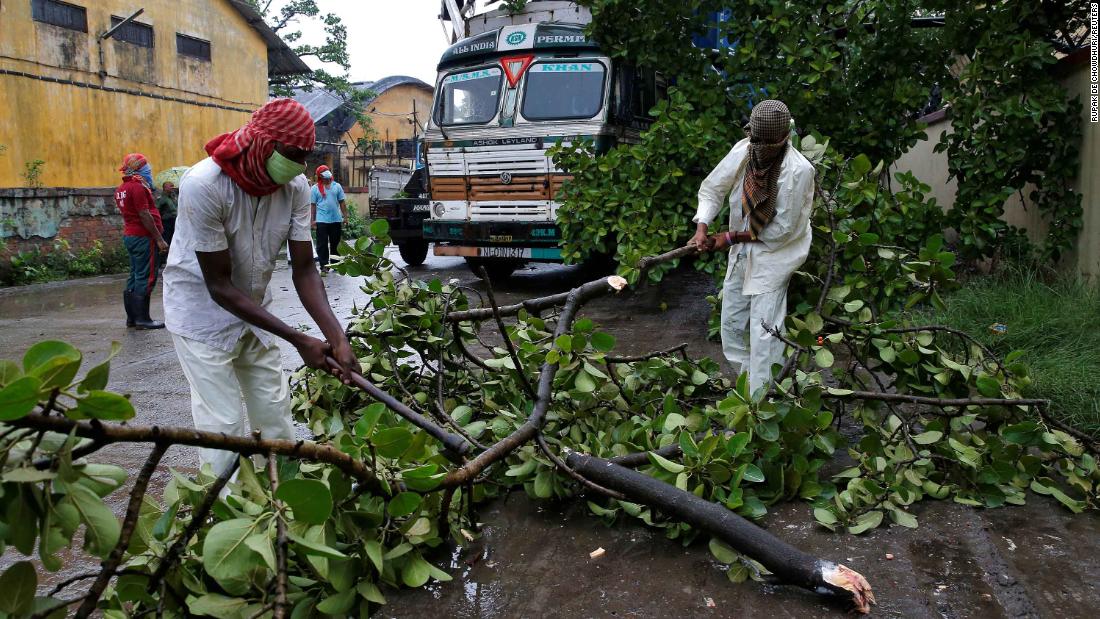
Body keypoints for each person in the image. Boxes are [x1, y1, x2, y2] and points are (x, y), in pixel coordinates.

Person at [163, 98, 360, 475]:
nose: (298, 165)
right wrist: (300, 340)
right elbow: (219, 286)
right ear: (264, 143)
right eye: (292, 154)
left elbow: (305, 269)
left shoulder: (296, 188)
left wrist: (337, 337)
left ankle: (286, 507)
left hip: (255, 310)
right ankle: (231, 514)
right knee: (223, 427)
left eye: (304, 156)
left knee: (275, 415)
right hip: (201, 314)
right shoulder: (205, 185)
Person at [689, 100, 815, 395]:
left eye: (763, 143)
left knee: (764, 335)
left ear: (783, 139)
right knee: (731, 329)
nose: (757, 147)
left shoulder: (798, 171)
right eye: (753, 140)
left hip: (775, 257)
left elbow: (782, 232)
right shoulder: (744, 151)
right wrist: (702, 228)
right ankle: (753, 390)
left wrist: (730, 237)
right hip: (743, 252)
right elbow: (713, 188)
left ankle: (762, 406)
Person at [114, 153, 168, 330]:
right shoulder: (137, 187)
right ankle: (143, 319)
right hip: (144, 237)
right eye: (147, 168)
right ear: (139, 169)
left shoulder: (121, 188)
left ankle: (132, 318)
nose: (149, 171)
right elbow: (144, 214)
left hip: (131, 235)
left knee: (135, 275)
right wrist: (159, 239)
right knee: (146, 275)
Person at [310, 165, 348, 273]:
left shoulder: (337, 186)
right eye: (324, 174)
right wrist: (312, 220)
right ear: (320, 176)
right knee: (322, 244)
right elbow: (312, 206)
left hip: (336, 219)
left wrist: (345, 217)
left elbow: (342, 203)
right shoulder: (314, 189)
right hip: (321, 220)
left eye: (328, 172)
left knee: (335, 243)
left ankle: (335, 264)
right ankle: (324, 265)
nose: (327, 176)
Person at [156, 181, 178, 248]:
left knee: (174, 239)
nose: (173, 187)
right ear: (165, 188)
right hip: (166, 222)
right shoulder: (161, 198)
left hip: (174, 221)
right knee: (167, 239)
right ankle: (165, 254)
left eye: (173, 185)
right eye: (171, 186)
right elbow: (157, 210)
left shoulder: (173, 196)